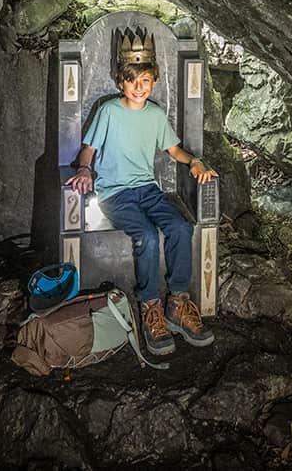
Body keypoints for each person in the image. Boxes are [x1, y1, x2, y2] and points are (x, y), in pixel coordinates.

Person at [65, 34, 218, 357]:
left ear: (154, 82)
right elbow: (89, 148)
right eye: (133, 81)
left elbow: (173, 149)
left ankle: (177, 302)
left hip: (147, 189)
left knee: (180, 227)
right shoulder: (108, 111)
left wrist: (195, 161)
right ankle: (150, 306)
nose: (139, 87)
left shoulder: (155, 114)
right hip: (115, 193)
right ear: (122, 82)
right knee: (147, 236)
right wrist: (83, 170)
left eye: (146, 81)